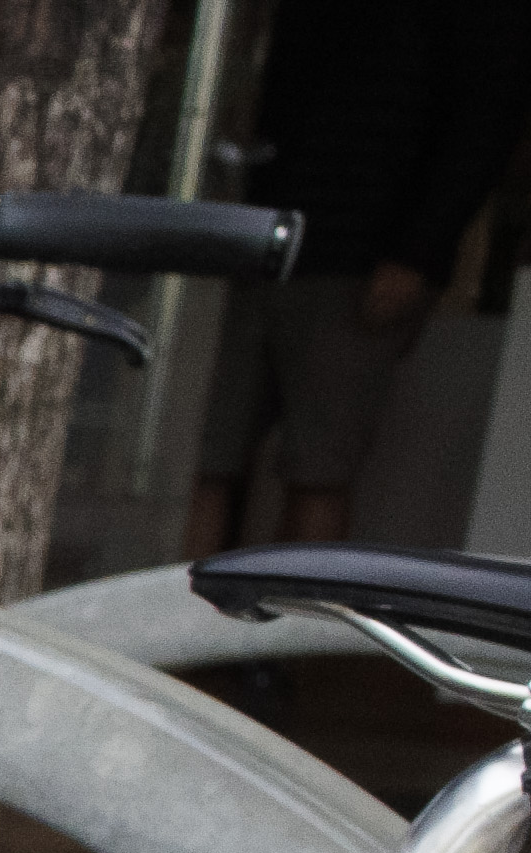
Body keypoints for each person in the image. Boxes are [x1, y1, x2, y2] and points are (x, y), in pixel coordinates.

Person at [199, 0, 531, 551]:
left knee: (320, 466)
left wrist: (416, 254)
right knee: (197, 454)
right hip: (236, 238)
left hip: (354, 259)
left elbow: (485, 118)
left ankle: (297, 635)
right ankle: (169, 628)